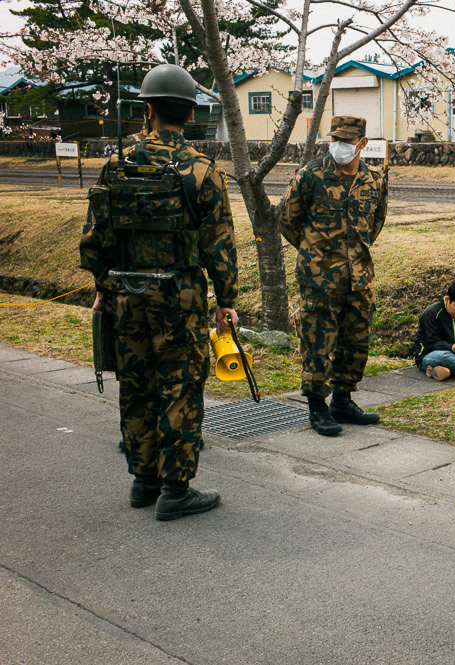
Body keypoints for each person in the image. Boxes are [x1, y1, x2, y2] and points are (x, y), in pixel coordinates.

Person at [79, 63, 239, 521]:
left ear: (146, 109)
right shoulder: (201, 170)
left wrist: (101, 286)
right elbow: (219, 245)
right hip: (181, 296)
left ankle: (142, 480)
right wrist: (226, 301)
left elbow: (96, 235)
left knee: (136, 384)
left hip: (126, 294)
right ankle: (175, 488)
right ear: (190, 114)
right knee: (180, 387)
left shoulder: (116, 164)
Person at [280, 116, 387, 437]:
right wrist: (314, 250)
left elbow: (375, 223)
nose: (339, 146)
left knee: (356, 340)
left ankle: (343, 399)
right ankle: (316, 405)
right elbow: (287, 220)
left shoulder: (374, 180)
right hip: (319, 276)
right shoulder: (311, 174)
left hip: (359, 276)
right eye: (336, 139)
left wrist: (354, 252)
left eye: (347, 141)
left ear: (363, 143)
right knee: (318, 341)